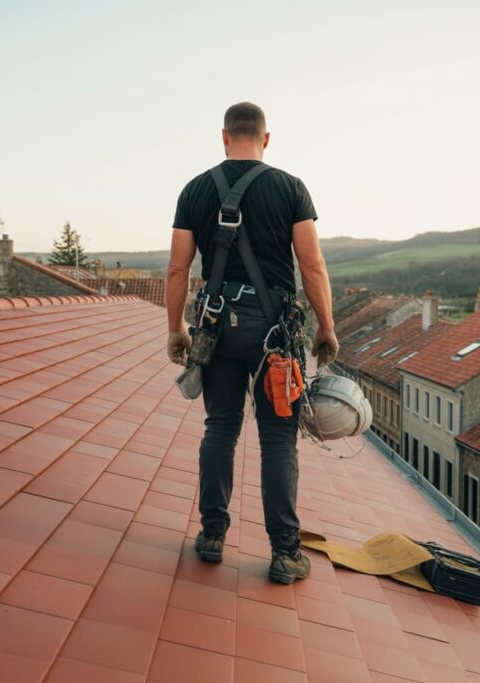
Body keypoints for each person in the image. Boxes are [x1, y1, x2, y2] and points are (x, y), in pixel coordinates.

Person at [165, 102, 339, 584]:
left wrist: (176, 328)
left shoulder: (196, 189)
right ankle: (285, 553)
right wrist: (326, 326)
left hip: (216, 327)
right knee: (278, 439)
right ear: (266, 139)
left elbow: (178, 267)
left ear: (225, 137)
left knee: (220, 428)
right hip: (273, 334)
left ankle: (212, 535)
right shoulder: (290, 188)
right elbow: (312, 265)